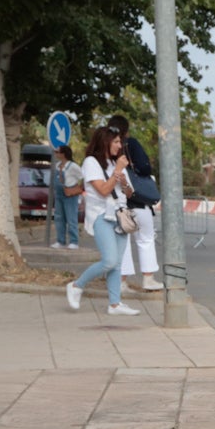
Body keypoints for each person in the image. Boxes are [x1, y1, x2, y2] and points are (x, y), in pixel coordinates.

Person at [65, 125, 140, 316]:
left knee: (117, 263)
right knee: (109, 260)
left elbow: (131, 193)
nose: (119, 145)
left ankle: (114, 304)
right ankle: (76, 285)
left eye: (120, 141)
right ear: (105, 142)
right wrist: (118, 171)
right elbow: (104, 190)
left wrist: (123, 180)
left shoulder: (115, 164)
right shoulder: (91, 162)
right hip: (101, 216)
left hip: (120, 217)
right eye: (116, 141)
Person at [108, 116, 164, 291]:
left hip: (117, 204)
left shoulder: (106, 148)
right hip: (137, 201)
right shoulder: (130, 143)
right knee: (145, 239)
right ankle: (148, 279)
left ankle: (121, 281)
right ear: (126, 130)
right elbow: (145, 168)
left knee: (122, 243)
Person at [51, 145, 83, 248]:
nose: (56, 154)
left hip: (70, 194)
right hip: (59, 194)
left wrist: (77, 189)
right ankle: (60, 240)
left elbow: (82, 177)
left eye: (57, 152)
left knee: (71, 218)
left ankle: (74, 241)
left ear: (63, 154)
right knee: (59, 218)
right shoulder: (58, 165)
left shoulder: (72, 166)